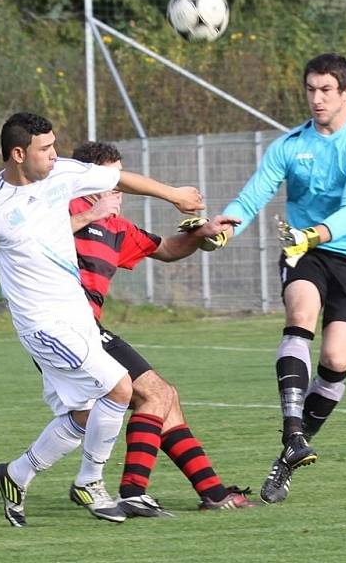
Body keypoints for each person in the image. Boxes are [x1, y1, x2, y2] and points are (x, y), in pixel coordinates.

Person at [0, 112, 204, 527]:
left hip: (77, 315)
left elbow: (118, 179)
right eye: (45, 149)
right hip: (41, 323)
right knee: (120, 388)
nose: (54, 155)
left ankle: (16, 474)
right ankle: (90, 482)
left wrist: (173, 193)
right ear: (18, 154)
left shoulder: (62, 173)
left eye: (54, 146)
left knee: (87, 413)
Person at [202, 53, 346, 504]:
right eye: (311, 89)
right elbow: (252, 197)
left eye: (326, 90)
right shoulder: (289, 145)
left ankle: (288, 455)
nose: (317, 98)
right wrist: (224, 228)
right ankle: (292, 430)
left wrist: (315, 232)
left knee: (336, 357)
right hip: (304, 253)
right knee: (301, 311)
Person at [67, 141, 255, 515]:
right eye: (111, 181)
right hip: (69, 327)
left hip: (87, 329)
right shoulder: (62, 209)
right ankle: (132, 491)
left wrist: (200, 234)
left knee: (163, 396)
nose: (119, 190)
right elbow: (35, 235)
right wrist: (90, 213)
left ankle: (213, 492)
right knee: (153, 395)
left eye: (120, 180)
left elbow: (167, 248)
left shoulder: (116, 228)